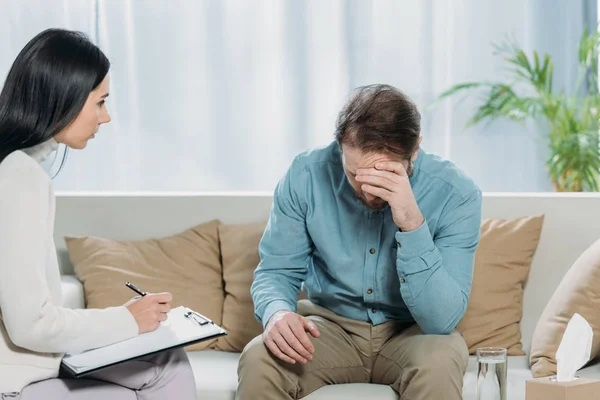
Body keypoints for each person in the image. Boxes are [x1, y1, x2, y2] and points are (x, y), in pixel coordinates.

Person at [237, 84, 483, 399]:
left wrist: (411, 222)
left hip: (413, 332)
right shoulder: (306, 175)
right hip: (329, 327)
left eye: (382, 177)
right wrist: (277, 313)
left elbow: (441, 320)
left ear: (415, 150)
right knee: (260, 357)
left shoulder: (456, 193)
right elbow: (276, 270)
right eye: (355, 175)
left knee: (440, 361)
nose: (367, 192)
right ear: (340, 147)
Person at [0, 29, 196, 399]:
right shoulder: (19, 176)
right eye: (100, 102)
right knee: (168, 362)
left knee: (161, 358)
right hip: (15, 377)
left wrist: (123, 319)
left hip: (24, 364)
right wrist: (126, 320)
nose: (105, 118)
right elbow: (30, 323)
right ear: (66, 99)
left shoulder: (16, 168)